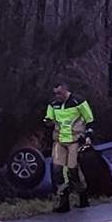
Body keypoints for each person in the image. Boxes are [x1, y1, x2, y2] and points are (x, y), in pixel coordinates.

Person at [44, 82, 95, 212]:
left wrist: (88, 135)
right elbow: (49, 119)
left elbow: (89, 119)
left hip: (75, 140)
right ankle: (63, 202)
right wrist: (48, 122)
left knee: (73, 170)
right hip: (59, 141)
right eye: (55, 93)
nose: (57, 96)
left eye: (59, 93)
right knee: (57, 171)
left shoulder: (78, 101)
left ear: (66, 90)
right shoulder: (53, 104)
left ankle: (83, 196)